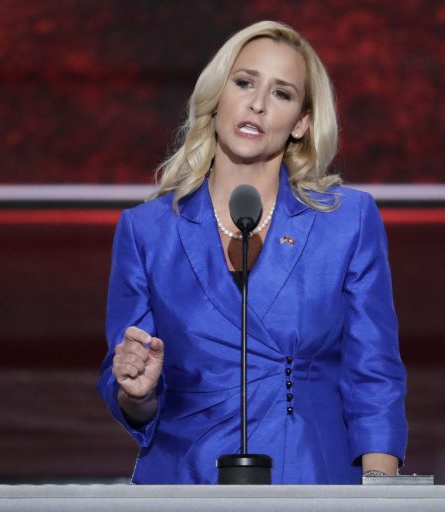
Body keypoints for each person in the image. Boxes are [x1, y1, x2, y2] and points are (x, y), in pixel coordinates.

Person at [97, 20, 407, 484]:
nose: (257, 104)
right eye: (244, 83)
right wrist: (136, 393)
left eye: (282, 94)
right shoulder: (147, 231)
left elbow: (374, 372)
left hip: (310, 475)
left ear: (301, 123)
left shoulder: (347, 221)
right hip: (185, 477)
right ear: (218, 96)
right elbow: (130, 384)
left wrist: (380, 490)